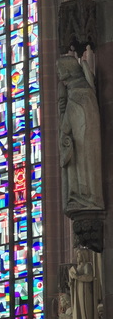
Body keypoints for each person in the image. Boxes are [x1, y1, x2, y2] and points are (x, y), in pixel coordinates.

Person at [57, 53, 104, 213]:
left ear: (67, 71)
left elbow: (66, 126)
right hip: (83, 144)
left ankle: (84, 197)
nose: (58, 74)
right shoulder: (82, 91)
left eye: (59, 69)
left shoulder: (77, 94)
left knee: (83, 165)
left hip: (83, 146)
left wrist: (62, 111)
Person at [69, 248, 95, 319]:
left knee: (85, 309)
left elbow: (89, 277)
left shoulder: (87, 265)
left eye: (79, 255)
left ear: (84, 256)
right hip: (78, 290)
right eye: (77, 255)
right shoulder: (78, 267)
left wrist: (77, 277)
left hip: (85, 290)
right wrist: (71, 282)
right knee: (80, 309)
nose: (77, 257)